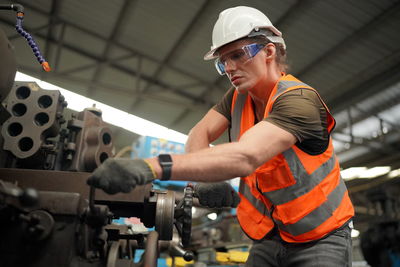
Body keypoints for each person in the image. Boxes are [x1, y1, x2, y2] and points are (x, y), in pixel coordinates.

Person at [88, 6, 355, 266]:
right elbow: (199, 132)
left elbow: (246, 156)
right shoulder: (239, 97)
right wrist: (201, 180)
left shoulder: (299, 101)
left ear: (269, 51)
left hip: (321, 236)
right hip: (270, 235)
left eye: (238, 55)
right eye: (223, 60)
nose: (228, 67)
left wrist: (152, 166)